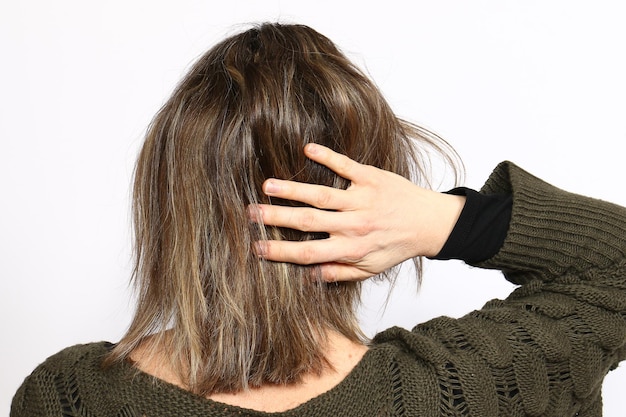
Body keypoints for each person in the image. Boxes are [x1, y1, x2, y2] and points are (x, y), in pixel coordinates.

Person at [10, 22, 626, 417]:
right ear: (366, 201)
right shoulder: (471, 388)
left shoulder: (70, 399)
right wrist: (444, 219)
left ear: (169, 204)